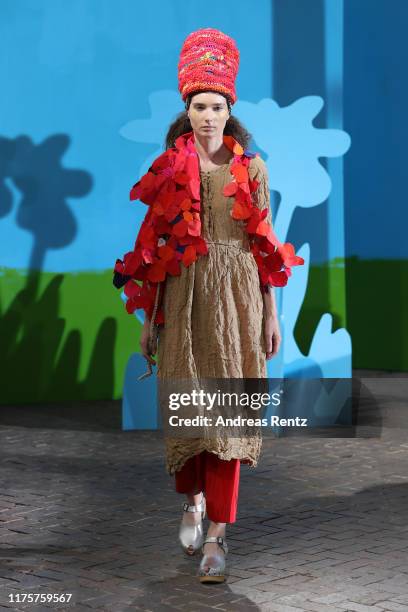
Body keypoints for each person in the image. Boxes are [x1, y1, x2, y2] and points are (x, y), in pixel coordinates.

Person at [113, 28, 303, 583]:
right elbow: (151, 252)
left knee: (227, 415)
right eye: (199, 106)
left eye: (217, 106)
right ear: (187, 109)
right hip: (183, 296)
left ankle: (219, 535)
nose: (208, 115)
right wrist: (150, 319)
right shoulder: (168, 168)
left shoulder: (252, 170)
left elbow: (266, 249)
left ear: (229, 110)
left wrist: (270, 314)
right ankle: (192, 499)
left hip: (239, 298)